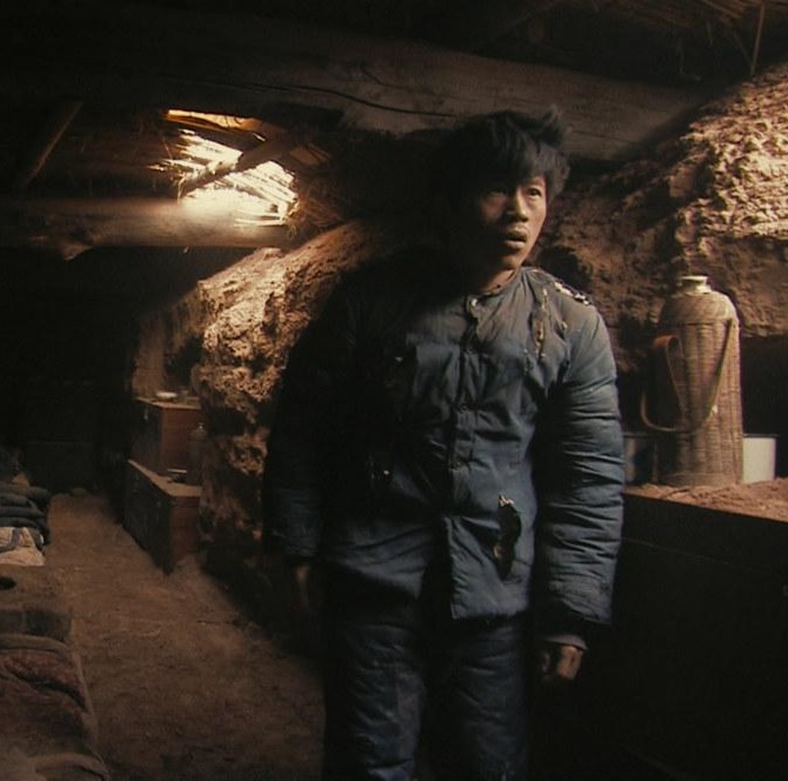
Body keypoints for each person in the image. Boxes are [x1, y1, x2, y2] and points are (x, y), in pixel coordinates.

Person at [262, 110, 624, 780]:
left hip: (494, 598)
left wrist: (569, 612)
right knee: (370, 764)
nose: (518, 211)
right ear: (451, 201)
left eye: (534, 192)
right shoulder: (371, 302)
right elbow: (303, 428)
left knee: (486, 766)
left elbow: (589, 477)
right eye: (496, 189)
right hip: (375, 585)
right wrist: (298, 546)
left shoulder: (570, 326)